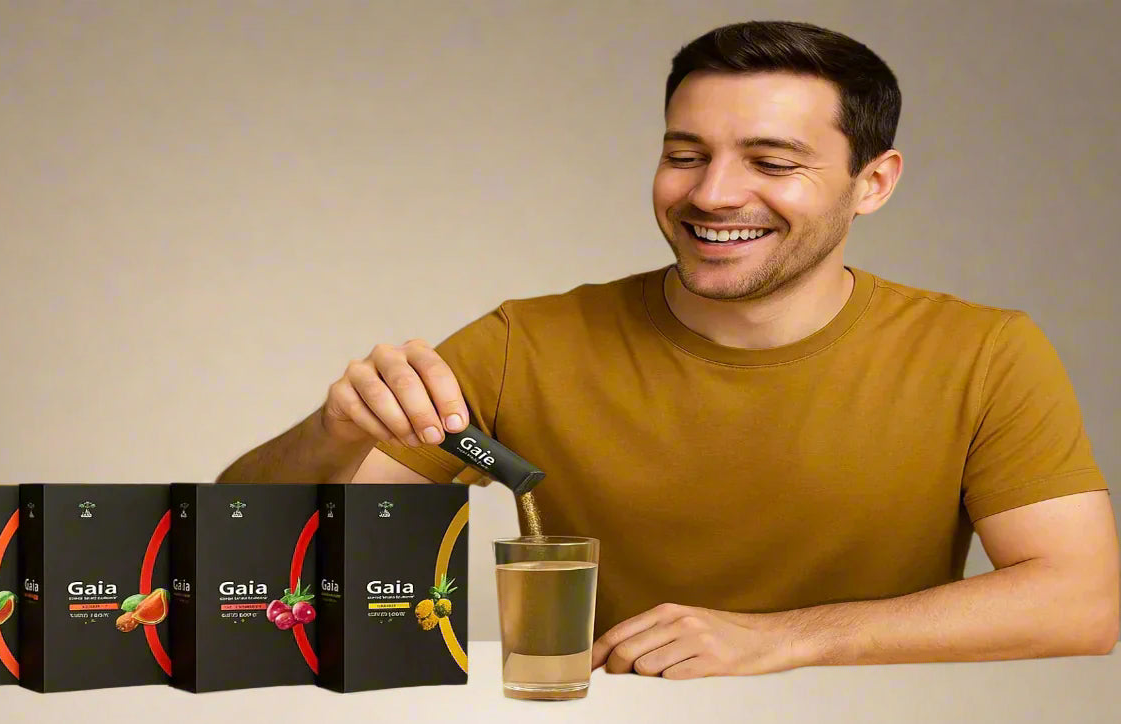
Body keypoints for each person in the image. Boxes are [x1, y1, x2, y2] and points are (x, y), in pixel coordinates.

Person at [216, 20, 1118, 678]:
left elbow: (1082, 602)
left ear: (872, 183)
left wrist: (786, 639)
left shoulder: (983, 350)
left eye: (771, 162)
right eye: (685, 154)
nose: (714, 193)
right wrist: (331, 432)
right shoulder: (526, 342)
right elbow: (242, 567)